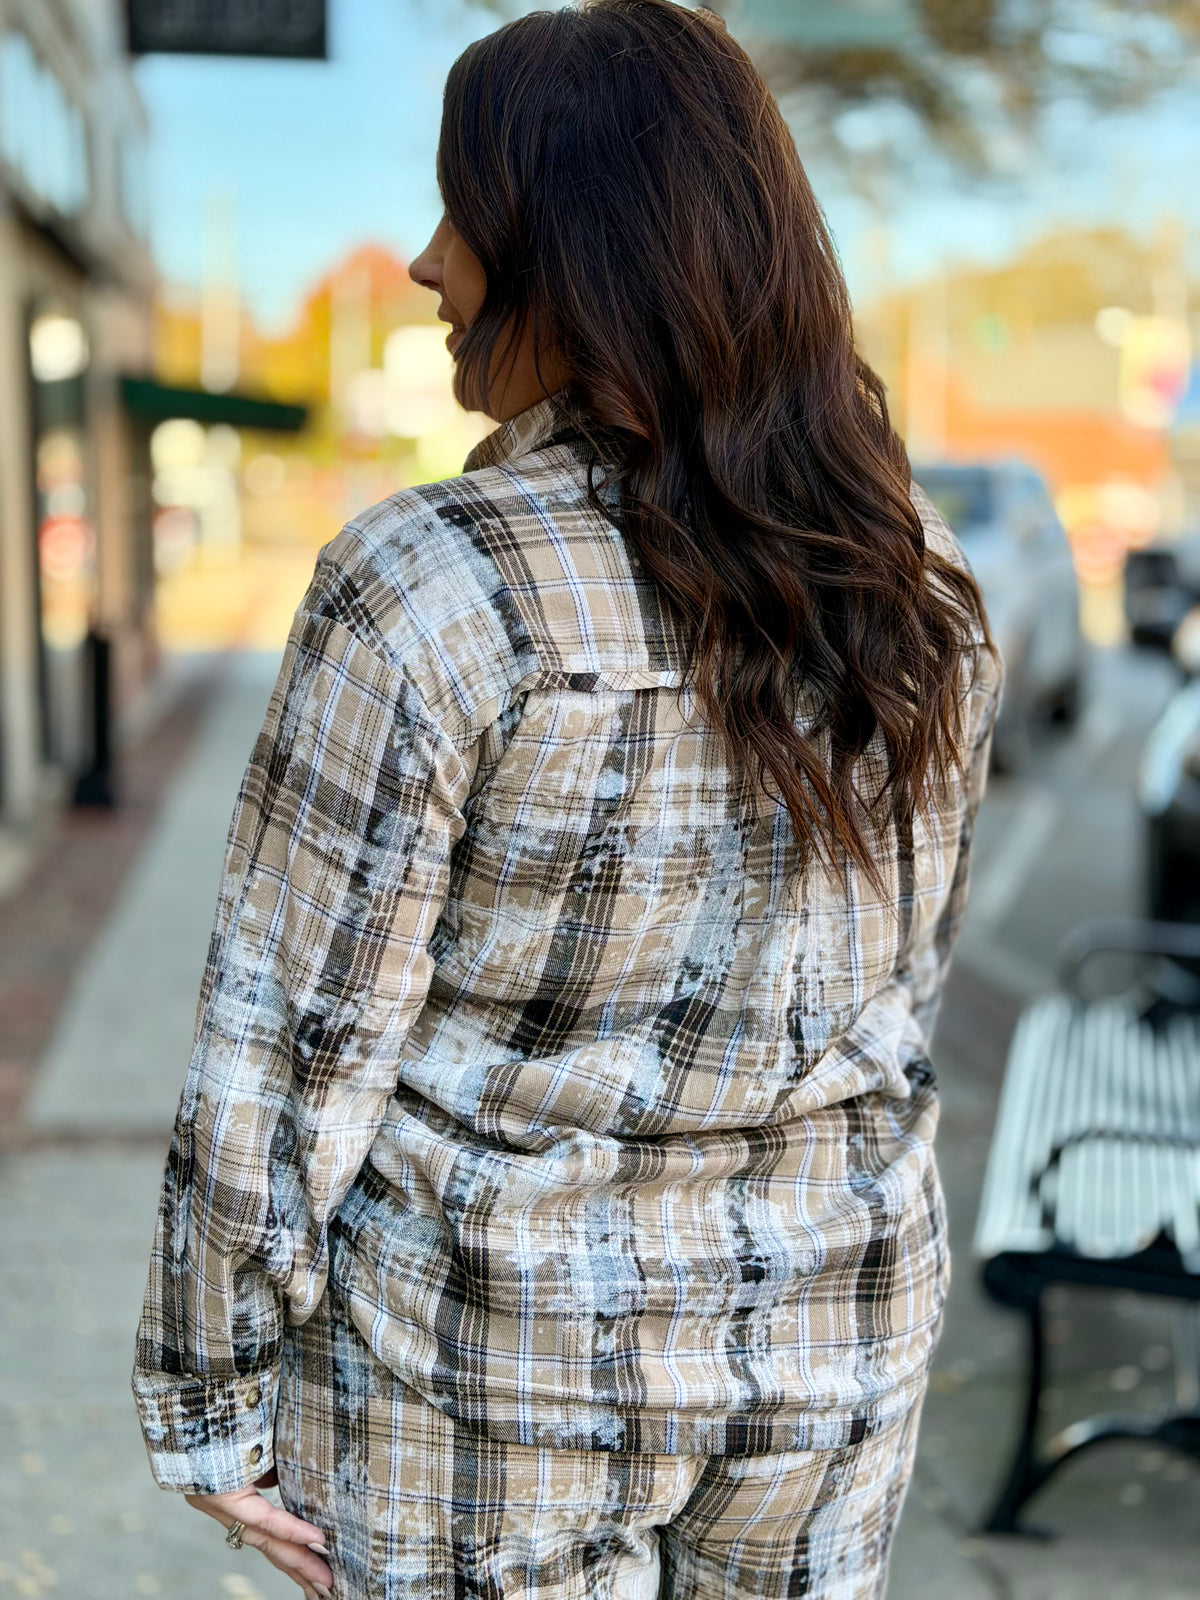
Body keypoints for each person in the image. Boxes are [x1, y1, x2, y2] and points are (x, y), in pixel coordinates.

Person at [132, 3, 1000, 1596]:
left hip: (481, 1380)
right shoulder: (920, 588)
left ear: (572, 250)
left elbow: (287, 1052)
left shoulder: (423, 587)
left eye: (462, 210)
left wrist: (206, 1398)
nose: (423, 260)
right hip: (831, 1351)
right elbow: (904, 990)